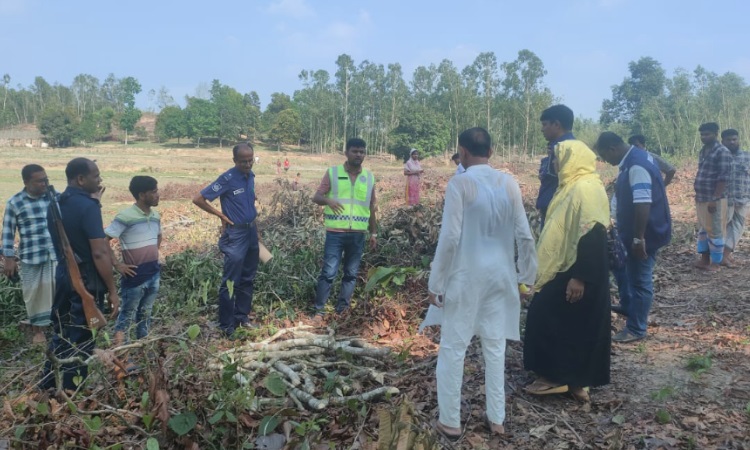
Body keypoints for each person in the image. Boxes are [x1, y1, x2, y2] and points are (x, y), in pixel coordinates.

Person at [428, 128, 536, 439]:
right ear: (491, 150)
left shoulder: (460, 183)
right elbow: (525, 235)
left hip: (466, 276)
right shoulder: (509, 183)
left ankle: (450, 420)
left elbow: (450, 237)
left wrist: (437, 281)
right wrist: (526, 277)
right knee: (494, 345)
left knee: (453, 347)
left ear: (461, 152)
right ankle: (497, 418)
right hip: (501, 276)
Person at [523, 139, 610, 402]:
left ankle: (560, 377)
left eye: (559, 158)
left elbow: (593, 232)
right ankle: (571, 379)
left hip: (579, 268)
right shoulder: (570, 186)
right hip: (568, 264)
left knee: (551, 318)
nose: (555, 163)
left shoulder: (584, 188)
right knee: (570, 324)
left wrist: (580, 277)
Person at [40, 158, 120, 391]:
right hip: (85, 280)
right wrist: (113, 291)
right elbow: (99, 253)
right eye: (96, 176)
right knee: (82, 338)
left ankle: (48, 385)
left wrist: (95, 204)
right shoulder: (87, 207)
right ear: (81, 179)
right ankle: (71, 391)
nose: (100, 180)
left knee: (62, 333)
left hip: (64, 276)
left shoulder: (56, 203)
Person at [595, 132, 672, 343]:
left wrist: (639, 239)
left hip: (645, 234)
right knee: (630, 273)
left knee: (640, 280)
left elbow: (642, 202)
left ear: (612, 148)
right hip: (643, 230)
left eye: (604, 156)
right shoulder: (639, 156)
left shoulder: (636, 166)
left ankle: (637, 328)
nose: (606, 161)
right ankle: (631, 309)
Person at [193, 143, 260, 336]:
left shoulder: (251, 177)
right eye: (243, 161)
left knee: (248, 277)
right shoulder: (227, 179)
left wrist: (257, 230)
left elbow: (250, 206)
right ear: (234, 161)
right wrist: (220, 216)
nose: (248, 164)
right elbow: (198, 199)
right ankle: (226, 325)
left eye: (250, 160)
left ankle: (242, 317)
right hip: (235, 235)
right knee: (231, 281)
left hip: (251, 232)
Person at [312, 138, 377, 315]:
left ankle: (343, 310)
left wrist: (373, 233)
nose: (359, 155)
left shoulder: (369, 177)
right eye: (355, 151)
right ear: (346, 153)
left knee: (351, 273)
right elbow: (316, 197)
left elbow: (371, 207)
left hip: (358, 234)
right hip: (335, 233)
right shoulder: (333, 173)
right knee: (329, 272)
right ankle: (319, 311)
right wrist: (328, 200)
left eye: (362, 151)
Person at [1, 164, 56, 344]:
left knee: (57, 292)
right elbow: (8, 233)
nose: (44, 184)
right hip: (31, 256)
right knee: (33, 295)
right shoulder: (15, 202)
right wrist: (9, 259)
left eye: (45, 180)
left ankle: (58, 328)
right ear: (26, 182)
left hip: (55, 255)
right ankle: (38, 331)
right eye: (39, 181)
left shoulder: (53, 197)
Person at [105, 176, 161, 345]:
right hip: (134, 275)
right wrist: (117, 264)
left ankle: (143, 346)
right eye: (154, 192)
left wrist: (151, 255)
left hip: (153, 273)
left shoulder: (156, 215)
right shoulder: (126, 216)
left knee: (146, 313)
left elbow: (159, 236)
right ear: (142, 195)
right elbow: (103, 239)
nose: (158, 195)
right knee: (127, 314)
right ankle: (121, 352)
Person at [693, 122, 732, 270]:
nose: (704, 137)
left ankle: (716, 263)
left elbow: (723, 178)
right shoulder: (703, 151)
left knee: (715, 230)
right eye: (702, 134)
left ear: (716, 134)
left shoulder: (722, 151)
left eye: (707, 134)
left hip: (714, 199)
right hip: (701, 197)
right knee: (704, 229)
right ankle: (704, 260)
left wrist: (714, 199)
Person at [535, 105, 576, 229]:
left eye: (545, 124)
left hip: (558, 215)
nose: (542, 129)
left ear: (557, 125)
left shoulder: (566, 150)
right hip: (553, 212)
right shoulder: (557, 148)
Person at [722, 129, 750, 266]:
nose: (732, 142)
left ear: (738, 139)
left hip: (743, 198)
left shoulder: (747, 156)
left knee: (737, 227)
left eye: (734, 139)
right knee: (722, 227)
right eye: (729, 140)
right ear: (723, 141)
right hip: (723, 199)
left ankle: (725, 255)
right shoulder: (719, 157)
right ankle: (717, 256)